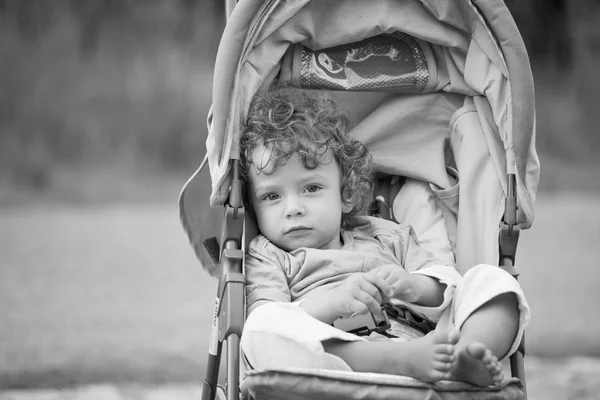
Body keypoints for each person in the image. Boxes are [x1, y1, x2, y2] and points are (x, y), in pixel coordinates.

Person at [238, 86, 530, 387]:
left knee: (492, 281)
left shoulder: (386, 235)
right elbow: (269, 314)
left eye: (311, 188)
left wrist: (413, 284)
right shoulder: (268, 254)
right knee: (259, 328)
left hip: (420, 341)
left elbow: (448, 287)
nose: (293, 209)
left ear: (346, 193)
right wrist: (331, 303)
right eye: (272, 196)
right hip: (339, 354)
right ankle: (398, 362)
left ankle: (464, 355)